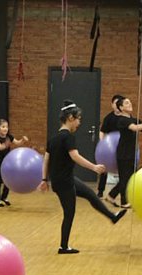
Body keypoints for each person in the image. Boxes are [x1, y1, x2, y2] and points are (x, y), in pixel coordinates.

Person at [40, 100, 127, 255]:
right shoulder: (68, 137)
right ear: (71, 118)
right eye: (78, 118)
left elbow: (46, 159)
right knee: (69, 213)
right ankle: (63, 246)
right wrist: (94, 167)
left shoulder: (53, 138)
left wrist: (44, 180)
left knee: (90, 194)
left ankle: (112, 216)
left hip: (63, 180)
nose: (79, 122)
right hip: (65, 182)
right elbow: (75, 156)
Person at [106, 96, 142, 209]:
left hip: (131, 153)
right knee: (126, 178)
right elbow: (135, 128)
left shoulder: (134, 120)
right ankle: (124, 202)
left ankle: (111, 196)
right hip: (123, 153)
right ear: (120, 107)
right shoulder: (121, 120)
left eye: (130, 102)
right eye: (126, 103)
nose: (129, 104)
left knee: (129, 177)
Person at [0, 118, 27, 208]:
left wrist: (23, 140)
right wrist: (5, 144)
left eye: (6, 127)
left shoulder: (9, 136)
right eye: (3, 127)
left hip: (7, 161)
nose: (5, 128)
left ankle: (4, 197)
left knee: (8, 180)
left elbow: (17, 143)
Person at [97, 94, 124, 198]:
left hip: (122, 147)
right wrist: (103, 144)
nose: (117, 105)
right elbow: (102, 131)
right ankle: (100, 191)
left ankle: (121, 192)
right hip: (109, 148)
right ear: (112, 104)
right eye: (115, 103)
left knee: (123, 171)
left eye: (119, 103)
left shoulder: (125, 117)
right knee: (104, 169)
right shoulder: (108, 118)